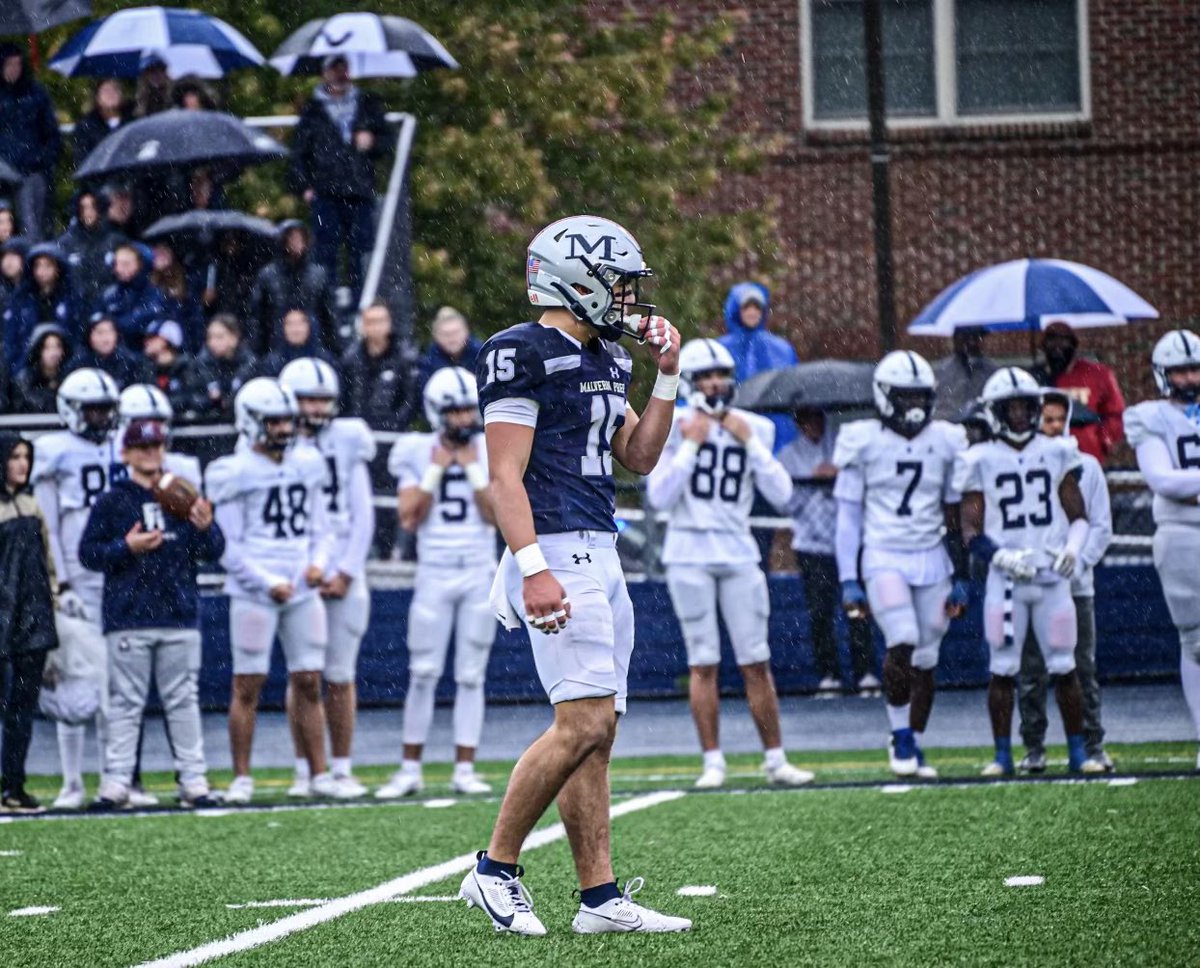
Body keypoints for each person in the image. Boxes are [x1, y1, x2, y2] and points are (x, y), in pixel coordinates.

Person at [460, 215, 690, 936]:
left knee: (598, 732)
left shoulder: (608, 357)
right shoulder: (519, 352)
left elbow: (640, 457)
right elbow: (504, 476)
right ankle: (493, 869)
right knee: (582, 720)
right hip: (553, 549)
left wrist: (668, 377)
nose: (627, 299)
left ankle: (598, 899)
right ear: (578, 280)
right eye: (618, 285)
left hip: (601, 549)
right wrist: (532, 569)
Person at [646, 338, 813, 789]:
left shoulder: (753, 426)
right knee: (703, 663)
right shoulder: (675, 423)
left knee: (756, 660)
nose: (716, 384)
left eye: (722, 376)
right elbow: (659, 497)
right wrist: (690, 449)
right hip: (688, 551)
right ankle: (713, 761)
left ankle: (775, 758)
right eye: (706, 377)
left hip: (738, 549)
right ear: (691, 383)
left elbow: (784, 495)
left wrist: (751, 446)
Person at [834, 351, 970, 778]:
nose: (913, 406)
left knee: (927, 654)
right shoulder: (864, 439)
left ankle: (916, 739)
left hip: (932, 557)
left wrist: (962, 573)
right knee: (903, 638)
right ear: (884, 396)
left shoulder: (945, 439)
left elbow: (953, 513)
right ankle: (900, 734)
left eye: (919, 396)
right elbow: (848, 517)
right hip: (884, 555)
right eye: (904, 396)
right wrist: (849, 579)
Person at [205, 378, 338, 804]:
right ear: (250, 422)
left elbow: (323, 526)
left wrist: (318, 562)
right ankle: (242, 776)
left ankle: (319, 772)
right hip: (254, 590)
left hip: (300, 585)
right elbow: (227, 544)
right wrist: (266, 582)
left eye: (286, 420)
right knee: (248, 684)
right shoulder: (233, 471)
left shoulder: (307, 461)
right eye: (274, 421)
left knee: (309, 680)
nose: (284, 428)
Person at [78, 419, 224, 809]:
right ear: (125, 453)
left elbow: (214, 550)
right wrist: (127, 547)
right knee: (125, 704)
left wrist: (207, 527)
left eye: (156, 446)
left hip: (177, 612)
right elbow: (88, 554)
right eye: (142, 447)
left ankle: (194, 781)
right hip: (129, 614)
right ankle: (117, 783)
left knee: (183, 702)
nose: (150, 453)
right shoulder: (112, 500)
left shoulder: (183, 494)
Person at [954, 367, 1091, 776]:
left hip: (1051, 578)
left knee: (1065, 666)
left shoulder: (1057, 451)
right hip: (1007, 582)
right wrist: (997, 556)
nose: (1018, 416)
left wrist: (1073, 548)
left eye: (1024, 407)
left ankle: (1079, 752)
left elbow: (1079, 516)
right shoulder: (978, 459)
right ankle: (1001, 755)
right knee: (1002, 668)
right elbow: (969, 529)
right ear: (995, 412)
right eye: (1009, 408)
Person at [31, 368, 156, 808]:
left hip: (118, 577)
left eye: (107, 409)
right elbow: (48, 523)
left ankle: (116, 778)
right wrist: (59, 581)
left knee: (118, 687)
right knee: (75, 683)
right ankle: (70, 782)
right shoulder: (54, 452)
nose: (102, 418)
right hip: (76, 584)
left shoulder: (121, 451)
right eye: (94, 409)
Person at [379, 366, 497, 799]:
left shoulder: (486, 449)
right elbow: (409, 517)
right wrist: (434, 471)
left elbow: (495, 514)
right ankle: (410, 768)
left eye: (469, 410)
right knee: (423, 672)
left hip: (478, 569)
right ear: (436, 412)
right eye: (456, 411)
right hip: (434, 569)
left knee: (471, 675)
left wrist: (472, 472)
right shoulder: (416, 449)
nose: (466, 419)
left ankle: (464, 768)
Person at [279, 358, 376, 799]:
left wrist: (346, 571)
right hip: (298, 570)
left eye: (322, 399)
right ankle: (305, 768)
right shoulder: (276, 444)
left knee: (339, 674)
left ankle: (340, 767)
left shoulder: (348, 440)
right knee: (303, 675)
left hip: (341, 570)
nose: (316, 408)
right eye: (307, 399)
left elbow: (363, 514)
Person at [1018, 389, 1113, 774]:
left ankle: (1092, 745)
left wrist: (1078, 563)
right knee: (1032, 670)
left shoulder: (1088, 467)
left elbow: (1100, 527)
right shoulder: (1020, 463)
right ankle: (1034, 747)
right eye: (1045, 419)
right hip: (1035, 585)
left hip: (1075, 587)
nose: (1052, 426)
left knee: (1082, 667)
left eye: (1058, 419)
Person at [1123, 330, 1200, 771]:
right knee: (1195, 642)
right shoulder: (1148, 416)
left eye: (1194, 369)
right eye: (1180, 371)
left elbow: (1179, 482)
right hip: (1181, 533)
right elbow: (1162, 480)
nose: (1189, 378)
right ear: (1162, 375)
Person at [778, 405, 877, 696]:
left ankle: (865, 672)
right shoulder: (788, 456)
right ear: (798, 422)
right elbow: (786, 505)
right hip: (811, 544)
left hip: (847, 542)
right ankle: (829, 673)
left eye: (817, 417)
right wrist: (812, 480)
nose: (813, 424)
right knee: (820, 613)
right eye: (806, 419)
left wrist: (837, 476)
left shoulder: (842, 447)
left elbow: (859, 487)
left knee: (857, 610)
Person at [288, 54, 389, 299]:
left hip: (360, 191)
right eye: (334, 69)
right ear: (324, 73)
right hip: (325, 193)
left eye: (343, 68)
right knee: (325, 254)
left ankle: (359, 306)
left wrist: (372, 141)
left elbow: (387, 142)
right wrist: (304, 187)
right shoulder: (312, 111)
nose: (340, 74)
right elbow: (299, 152)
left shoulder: (367, 104)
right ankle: (328, 307)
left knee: (361, 253)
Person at [0, 433, 59, 812]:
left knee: (21, 708)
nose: (22, 464)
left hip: (31, 620)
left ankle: (13, 785)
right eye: (15, 457)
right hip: (7, 618)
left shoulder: (31, 504)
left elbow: (48, 563)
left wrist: (52, 601)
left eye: (26, 456)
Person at [341, 300, 417, 558]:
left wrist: (394, 426)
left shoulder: (404, 357)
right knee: (361, 497)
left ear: (389, 324)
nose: (375, 327)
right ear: (362, 325)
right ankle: (363, 549)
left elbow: (409, 400)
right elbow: (347, 399)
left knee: (389, 499)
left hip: (391, 441)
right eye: (369, 321)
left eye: (380, 321)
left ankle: (387, 550)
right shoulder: (351, 358)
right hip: (362, 443)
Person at [718, 281, 799, 452]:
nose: (752, 312)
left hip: (774, 424)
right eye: (747, 307)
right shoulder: (721, 349)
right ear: (736, 310)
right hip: (732, 423)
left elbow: (792, 387)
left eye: (757, 307)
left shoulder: (780, 349)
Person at [1035, 321, 1126, 463]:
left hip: (1087, 455)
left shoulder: (1097, 374)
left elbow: (1115, 414)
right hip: (1045, 458)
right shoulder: (1034, 378)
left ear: (1073, 344)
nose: (1057, 346)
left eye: (1063, 340)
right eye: (1052, 339)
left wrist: (1102, 440)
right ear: (1044, 345)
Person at [247, 220, 337, 356]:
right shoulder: (267, 275)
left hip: (313, 347)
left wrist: (334, 348)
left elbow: (329, 316)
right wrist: (257, 350)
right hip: (276, 347)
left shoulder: (319, 274)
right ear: (282, 241)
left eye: (300, 237)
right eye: (291, 237)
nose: (296, 242)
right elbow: (257, 317)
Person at [0, 44, 61, 241]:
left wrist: (40, 160)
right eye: (9, 64)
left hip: (32, 173)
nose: (13, 69)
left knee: (33, 230)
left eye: (17, 64)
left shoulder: (37, 94)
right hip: (3, 171)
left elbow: (52, 135)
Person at [2, 243, 84, 373]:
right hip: (26, 368)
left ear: (58, 268)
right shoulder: (21, 298)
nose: (42, 271)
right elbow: (11, 339)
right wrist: (15, 369)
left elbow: (77, 335)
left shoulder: (72, 298)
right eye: (37, 265)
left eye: (47, 265)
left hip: (64, 366)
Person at [117, 383, 202, 488]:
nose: (151, 429)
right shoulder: (113, 461)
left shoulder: (184, 467)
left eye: (159, 422)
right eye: (144, 423)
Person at [58, 191, 127, 308]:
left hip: (109, 304)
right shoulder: (66, 243)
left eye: (92, 207)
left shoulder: (116, 240)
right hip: (76, 306)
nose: (88, 212)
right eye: (83, 207)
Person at [98, 243, 165, 349]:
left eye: (126, 264)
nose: (118, 269)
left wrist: (115, 324)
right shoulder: (109, 294)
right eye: (116, 264)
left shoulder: (154, 293)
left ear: (141, 265)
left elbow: (144, 320)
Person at [191, 314, 252, 420]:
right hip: (207, 421)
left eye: (219, 337)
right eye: (210, 337)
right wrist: (212, 401)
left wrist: (227, 402)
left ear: (234, 338)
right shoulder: (201, 362)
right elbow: (194, 398)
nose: (212, 342)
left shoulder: (249, 362)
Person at [931, 327, 998, 421]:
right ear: (955, 340)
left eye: (976, 338)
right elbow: (938, 409)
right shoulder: (940, 371)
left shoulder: (994, 372)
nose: (971, 343)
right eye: (966, 338)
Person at [68, 314, 151, 389]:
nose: (105, 338)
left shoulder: (131, 363)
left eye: (110, 332)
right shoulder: (78, 364)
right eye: (100, 333)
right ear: (89, 336)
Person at [416, 306, 484, 397]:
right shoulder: (428, 363)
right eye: (446, 334)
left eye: (456, 332)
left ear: (466, 331)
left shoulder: (482, 355)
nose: (452, 339)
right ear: (436, 336)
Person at [150, 242, 203, 352]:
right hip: (161, 332)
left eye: (164, 253)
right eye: (157, 255)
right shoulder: (150, 282)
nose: (161, 258)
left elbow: (194, 311)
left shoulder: (186, 277)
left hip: (185, 331)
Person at [142, 319, 198, 418]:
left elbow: (192, 398)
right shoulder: (148, 368)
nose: (146, 342)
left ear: (166, 341)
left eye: (152, 337)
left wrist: (161, 404)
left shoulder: (187, 366)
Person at [73, 78, 132, 170]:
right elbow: (81, 159)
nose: (111, 94)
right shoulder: (86, 126)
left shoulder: (132, 121)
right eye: (106, 91)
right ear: (98, 98)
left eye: (115, 89)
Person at [12, 324, 71, 414]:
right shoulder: (24, 380)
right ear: (38, 350)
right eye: (47, 348)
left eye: (57, 346)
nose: (54, 353)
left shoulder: (69, 378)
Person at [134, 52, 173, 118]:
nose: (156, 75)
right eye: (151, 71)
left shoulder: (175, 95)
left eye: (160, 70)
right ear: (145, 75)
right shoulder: (138, 102)